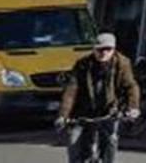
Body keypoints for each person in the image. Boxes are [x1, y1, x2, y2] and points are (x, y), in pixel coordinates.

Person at [57, 32, 140, 163]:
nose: (104, 53)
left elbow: (130, 86)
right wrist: (63, 115)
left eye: (108, 49)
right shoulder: (83, 64)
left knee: (111, 139)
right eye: (100, 49)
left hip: (109, 111)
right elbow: (71, 90)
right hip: (83, 112)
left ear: (114, 49)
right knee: (74, 142)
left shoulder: (122, 63)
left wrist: (132, 108)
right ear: (94, 49)